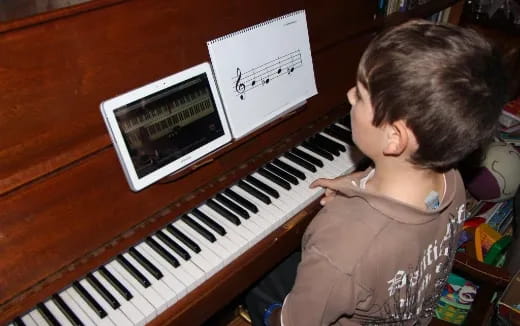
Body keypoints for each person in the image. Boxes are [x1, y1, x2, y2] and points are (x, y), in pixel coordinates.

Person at [245, 19, 508, 325]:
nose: (347, 96)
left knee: (255, 284)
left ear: (395, 138)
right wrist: (357, 181)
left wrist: (272, 315)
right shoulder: (452, 180)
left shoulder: (344, 244)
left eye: (359, 94)